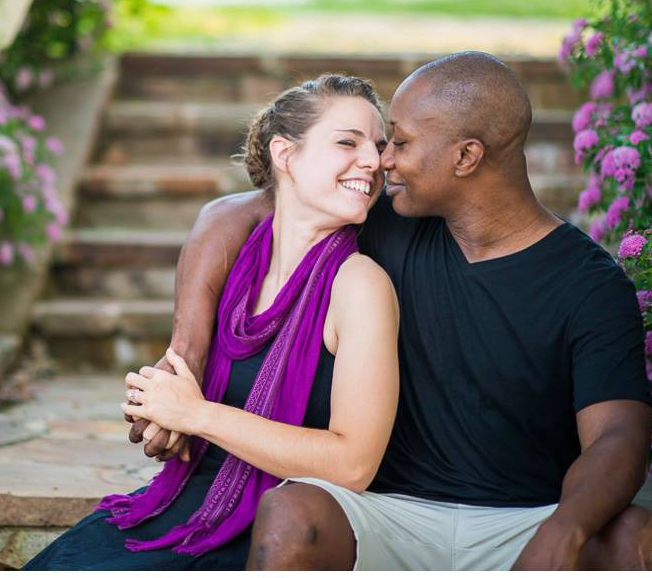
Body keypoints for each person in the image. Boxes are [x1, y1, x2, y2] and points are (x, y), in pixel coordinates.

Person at [130, 51, 652, 570]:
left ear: (465, 157)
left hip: (525, 519)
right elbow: (229, 215)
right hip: (390, 514)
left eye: (400, 144)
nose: (382, 161)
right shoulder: (389, 222)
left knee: (631, 537)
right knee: (293, 513)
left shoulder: (589, 282)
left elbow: (619, 437)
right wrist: (188, 358)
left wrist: (563, 530)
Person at [22, 74, 400, 570]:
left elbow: (353, 464)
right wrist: (158, 407)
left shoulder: (359, 285)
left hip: (270, 525)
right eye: (348, 143)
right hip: (184, 503)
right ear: (285, 155)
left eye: (377, 146)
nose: (374, 162)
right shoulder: (237, 257)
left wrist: (195, 415)